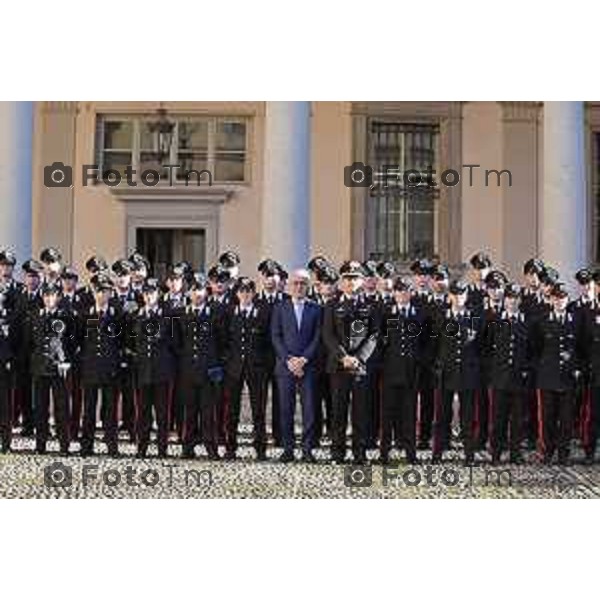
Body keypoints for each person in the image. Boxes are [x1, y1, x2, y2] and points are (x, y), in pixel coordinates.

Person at [322, 261, 379, 465]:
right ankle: (337, 452)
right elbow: (327, 334)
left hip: (360, 367)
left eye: (355, 278)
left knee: (360, 413)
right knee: (338, 411)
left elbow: (373, 335)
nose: (350, 282)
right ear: (341, 281)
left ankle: (359, 452)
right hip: (338, 365)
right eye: (346, 278)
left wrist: (359, 358)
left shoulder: (371, 305)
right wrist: (343, 356)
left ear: (362, 281)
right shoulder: (332, 304)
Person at [271, 269, 322, 462]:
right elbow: (275, 336)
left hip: (308, 367)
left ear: (308, 286)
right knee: (286, 409)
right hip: (285, 367)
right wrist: (289, 360)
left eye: (303, 283)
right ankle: (288, 449)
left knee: (309, 409)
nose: (299, 287)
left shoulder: (316, 309)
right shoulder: (280, 308)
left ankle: (307, 449)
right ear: (289, 285)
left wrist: (304, 359)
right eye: (296, 283)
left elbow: (317, 338)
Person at [432, 280, 483, 466]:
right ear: (449, 296)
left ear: (466, 296)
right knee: (442, 416)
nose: (458, 297)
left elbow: (482, 346)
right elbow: (434, 344)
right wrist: (436, 366)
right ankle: (437, 454)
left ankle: (469, 455)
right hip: (446, 372)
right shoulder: (441, 316)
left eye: (462, 294)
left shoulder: (474, 317)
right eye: (454, 294)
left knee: (468, 417)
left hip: (468, 373)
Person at [531, 282, 583, 465]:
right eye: (556, 297)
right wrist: (540, 368)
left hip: (568, 377)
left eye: (563, 297)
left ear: (567, 300)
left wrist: (577, 368)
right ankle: (547, 451)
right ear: (551, 299)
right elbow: (535, 348)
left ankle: (564, 453)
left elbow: (580, 348)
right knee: (547, 417)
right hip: (547, 376)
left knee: (566, 418)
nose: (560, 300)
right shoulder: (542, 320)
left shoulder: (575, 321)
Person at [222, 277, 271, 460]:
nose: (245, 294)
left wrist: (264, 364)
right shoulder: (230, 313)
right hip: (234, 367)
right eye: (242, 291)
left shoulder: (262, 313)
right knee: (232, 409)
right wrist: (227, 360)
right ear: (236, 294)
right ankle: (230, 447)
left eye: (248, 291)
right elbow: (223, 338)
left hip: (256, 368)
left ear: (253, 293)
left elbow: (268, 342)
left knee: (258, 409)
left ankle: (260, 447)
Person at [177, 274, 225, 460]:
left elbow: (221, 341)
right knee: (188, 410)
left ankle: (210, 446)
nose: (197, 293)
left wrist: (216, 364)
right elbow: (177, 342)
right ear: (189, 292)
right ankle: (187, 446)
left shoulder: (215, 313)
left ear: (206, 291)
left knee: (208, 411)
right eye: (194, 289)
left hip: (208, 371)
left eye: (201, 289)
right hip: (188, 370)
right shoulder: (181, 313)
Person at [379, 276, 425, 464]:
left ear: (410, 293)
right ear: (394, 293)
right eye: (398, 290)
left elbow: (426, 342)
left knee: (409, 414)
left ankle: (410, 453)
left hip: (410, 373)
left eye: (405, 290)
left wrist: (419, 361)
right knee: (387, 415)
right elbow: (379, 340)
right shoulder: (386, 314)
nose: (402, 294)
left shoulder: (418, 314)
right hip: (390, 371)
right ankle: (384, 453)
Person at [128, 278, 176, 459]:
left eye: (152, 293)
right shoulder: (136, 315)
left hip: (162, 370)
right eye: (146, 293)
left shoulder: (167, 315)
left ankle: (162, 448)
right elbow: (130, 341)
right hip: (142, 370)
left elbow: (173, 342)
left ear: (159, 294)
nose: (149, 296)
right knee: (143, 412)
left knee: (163, 413)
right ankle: (142, 447)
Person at [78, 275, 123, 457]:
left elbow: (122, 340)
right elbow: (78, 339)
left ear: (111, 293)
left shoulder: (117, 315)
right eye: (98, 290)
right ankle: (86, 446)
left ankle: (112, 446)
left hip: (110, 369)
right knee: (88, 409)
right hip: (90, 367)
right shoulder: (85, 314)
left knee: (110, 410)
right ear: (93, 292)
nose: (101, 295)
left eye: (105, 291)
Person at [487, 283, 531, 464]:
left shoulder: (526, 322)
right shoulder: (495, 321)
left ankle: (515, 453)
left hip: (519, 379)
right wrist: (491, 372)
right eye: (510, 297)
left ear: (520, 300)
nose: (512, 301)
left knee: (518, 419)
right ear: (505, 300)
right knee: (498, 418)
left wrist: (527, 370)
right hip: (499, 378)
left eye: (516, 298)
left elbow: (532, 349)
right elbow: (486, 348)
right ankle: (496, 453)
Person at [30, 282, 75, 455]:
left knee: (61, 408)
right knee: (40, 408)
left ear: (58, 297)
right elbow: (29, 342)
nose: (49, 298)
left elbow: (73, 341)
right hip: (40, 367)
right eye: (46, 295)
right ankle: (40, 445)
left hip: (59, 368)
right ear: (43, 297)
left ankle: (64, 446)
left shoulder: (66, 316)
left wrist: (67, 360)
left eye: (53, 295)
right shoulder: (36, 316)